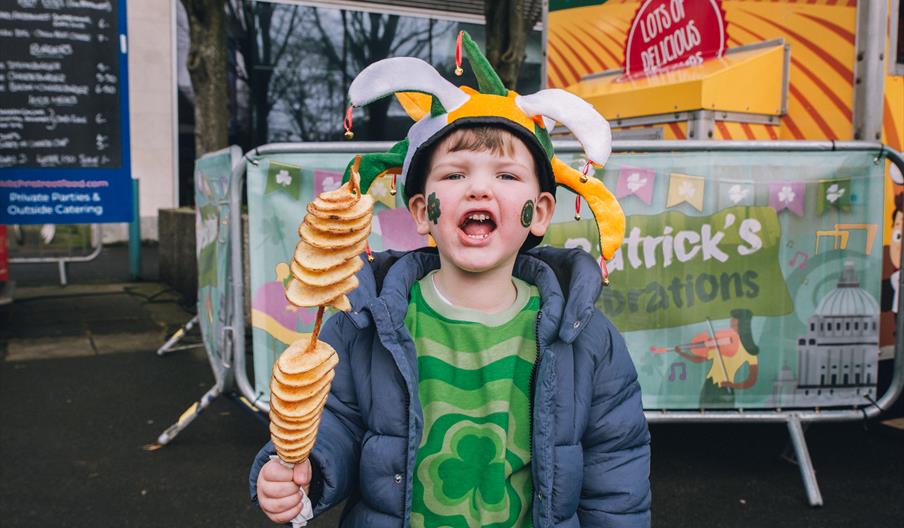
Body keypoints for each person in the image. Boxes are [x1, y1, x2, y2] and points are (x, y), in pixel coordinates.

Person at [249, 31, 651, 527]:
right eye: (455, 174)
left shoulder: (586, 337)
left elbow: (617, 473)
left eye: (506, 176)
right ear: (422, 211)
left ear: (540, 212)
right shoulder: (364, 323)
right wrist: (302, 468)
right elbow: (333, 424)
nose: (479, 186)